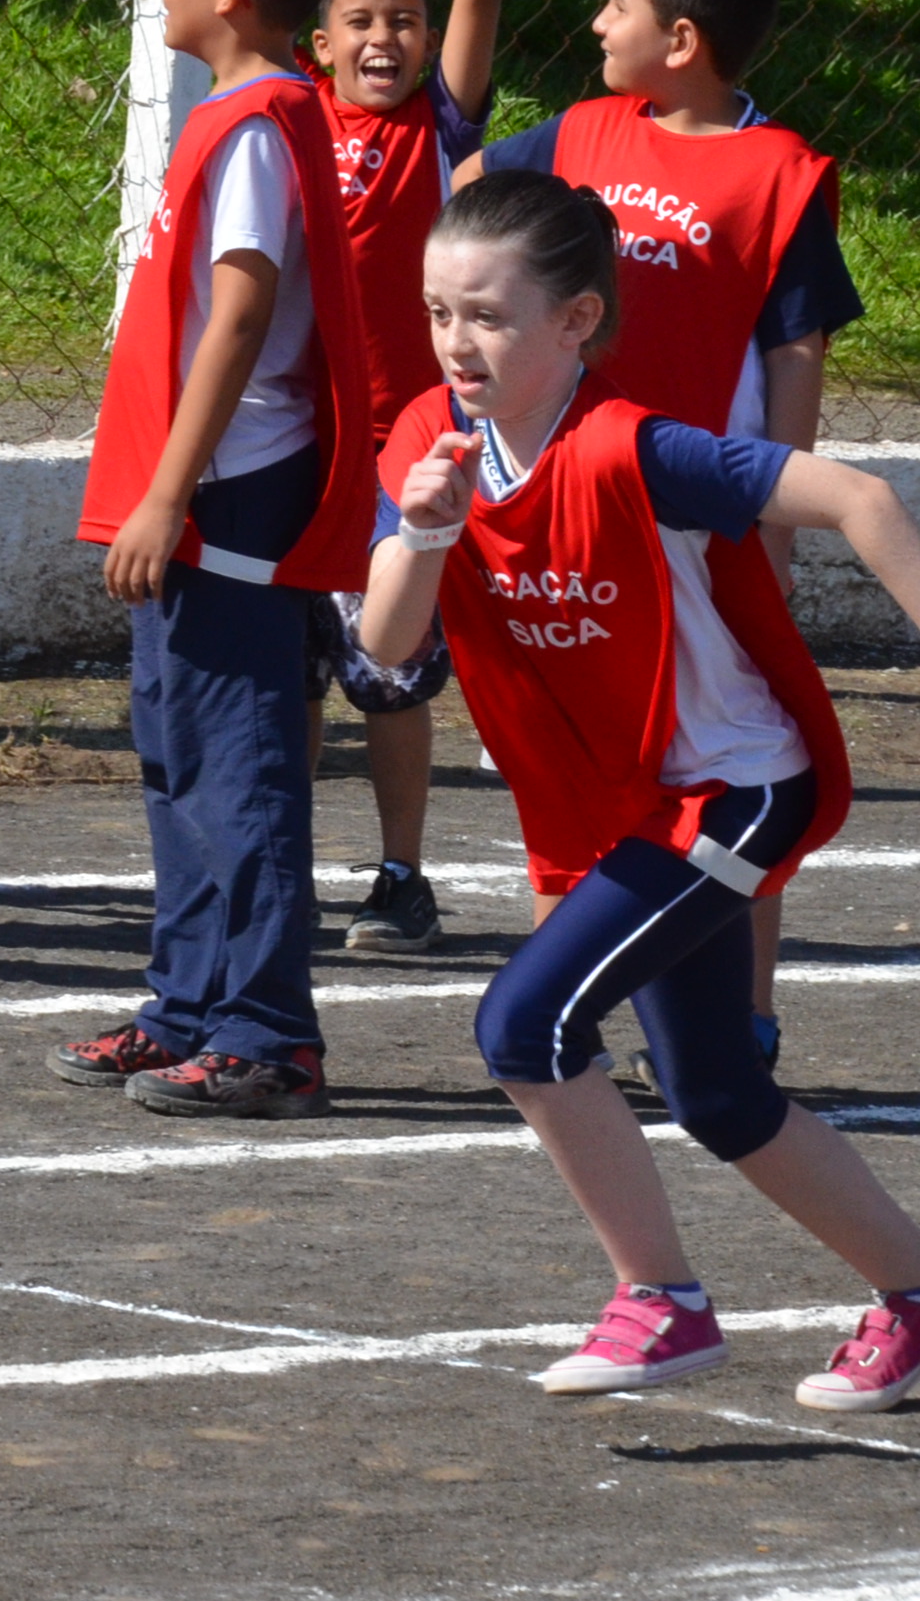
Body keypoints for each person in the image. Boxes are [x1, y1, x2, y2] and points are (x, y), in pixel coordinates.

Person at [360, 169, 920, 1413]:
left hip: (732, 791)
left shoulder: (642, 449)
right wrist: (428, 532)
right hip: (629, 807)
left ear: (577, 323)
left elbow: (863, 499)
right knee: (719, 1095)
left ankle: (660, 1302)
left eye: (489, 317)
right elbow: (389, 648)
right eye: (439, 313)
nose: (457, 342)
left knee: (525, 1028)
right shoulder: (426, 446)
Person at [194, 0, 573, 955]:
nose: (385, 39)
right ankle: (279, 862)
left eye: (402, 22)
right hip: (303, 445)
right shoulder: (286, 110)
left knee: (389, 677)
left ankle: (401, 874)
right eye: (360, 21)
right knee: (290, 669)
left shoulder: (441, 130)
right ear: (317, 36)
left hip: (401, 446)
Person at [457, 0, 855, 1082]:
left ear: (680, 38)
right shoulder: (578, 134)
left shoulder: (779, 173)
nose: (596, 21)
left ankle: (748, 1015)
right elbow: (472, 191)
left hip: (692, 515)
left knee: (734, 753)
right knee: (576, 744)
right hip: (576, 501)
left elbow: (797, 352)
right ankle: (561, 1014)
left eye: (616, 5)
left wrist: (776, 517)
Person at [56, 0, 373, 1121]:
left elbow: (238, 317)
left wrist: (163, 493)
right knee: (178, 753)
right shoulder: (247, 110)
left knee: (237, 764)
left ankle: (267, 1032)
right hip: (206, 492)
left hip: (231, 493)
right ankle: (187, 1005)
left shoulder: (255, 124)